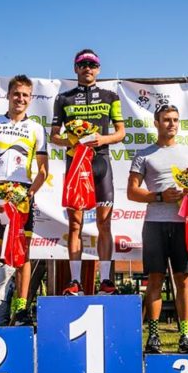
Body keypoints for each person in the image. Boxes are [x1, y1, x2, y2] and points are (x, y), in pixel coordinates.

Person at [0, 75, 48, 328]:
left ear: (30, 98)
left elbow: (43, 170)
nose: (20, 99)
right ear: (8, 95)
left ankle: (21, 311)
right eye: (16, 94)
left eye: (25, 95)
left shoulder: (36, 128)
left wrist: (29, 194)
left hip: (22, 196)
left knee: (22, 256)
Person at [127, 104, 188, 354]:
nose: (172, 124)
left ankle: (185, 336)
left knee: (184, 280)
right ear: (156, 123)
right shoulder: (144, 155)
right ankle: (154, 335)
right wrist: (159, 196)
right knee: (155, 280)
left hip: (183, 225)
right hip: (154, 224)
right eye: (167, 119)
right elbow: (132, 192)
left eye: (175, 120)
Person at [51, 49, 125, 295]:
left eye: (92, 64)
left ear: (98, 69)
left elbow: (121, 133)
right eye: (82, 64)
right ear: (75, 68)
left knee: (104, 223)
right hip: (76, 166)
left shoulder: (110, 97)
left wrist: (102, 139)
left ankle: (106, 281)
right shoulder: (63, 99)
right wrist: (72, 140)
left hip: (101, 163)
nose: (87, 68)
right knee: (75, 225)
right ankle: (75, 282)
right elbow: (54, 137)